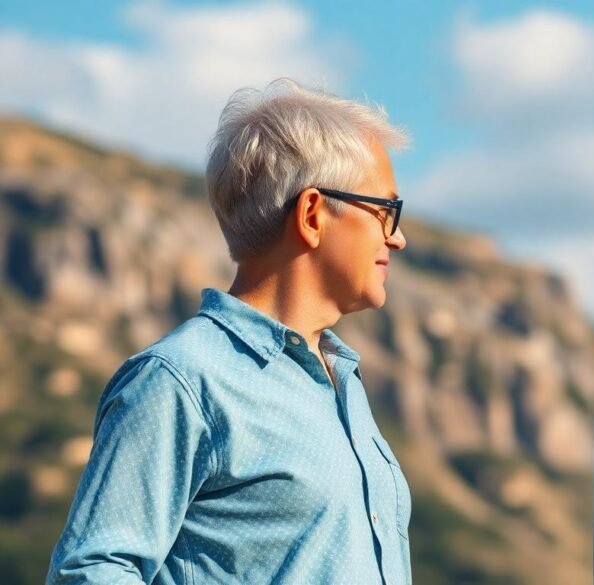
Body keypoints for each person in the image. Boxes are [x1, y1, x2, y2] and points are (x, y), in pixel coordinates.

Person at [48, 79, 413, 584]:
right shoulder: (181, 380)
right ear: (312, 214)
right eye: (385, 211)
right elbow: (90, 571)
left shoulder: (342, 381)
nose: (398, 237)